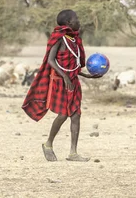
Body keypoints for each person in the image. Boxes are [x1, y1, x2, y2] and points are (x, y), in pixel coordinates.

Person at [22, 9, 100, 162]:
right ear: (68, 23)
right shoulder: (59, 38)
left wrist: (86, 75)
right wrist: (65, 77)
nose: (79, 21)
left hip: (72, 82)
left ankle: (73, 153)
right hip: (60, 81)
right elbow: (51, 60)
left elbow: (73, 67)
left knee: (76, 115)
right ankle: (48, 144)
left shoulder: (74, 40)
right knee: (64, 114)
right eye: (76, 19)